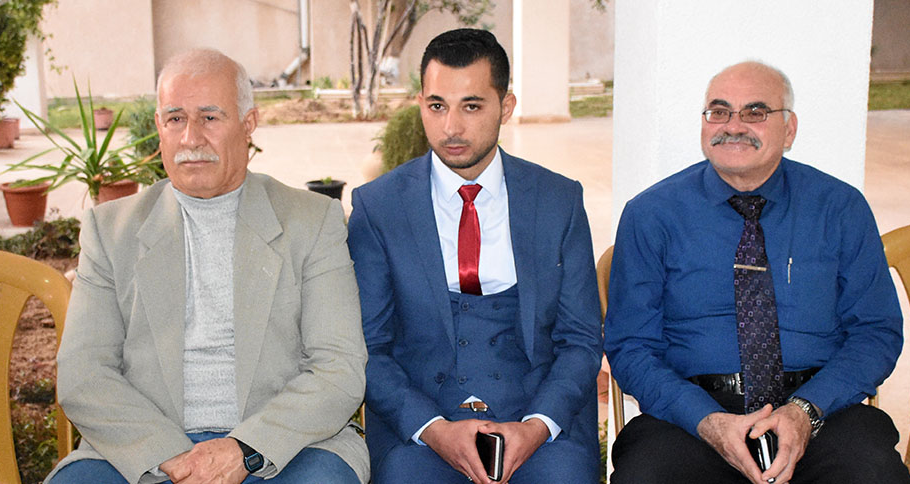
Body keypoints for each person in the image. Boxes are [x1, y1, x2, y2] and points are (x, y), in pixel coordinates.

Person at [45, 48, 369, 484]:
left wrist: (242, 450)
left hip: (284, 446)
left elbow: (338, 367)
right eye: (175, 118)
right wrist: (174, 457)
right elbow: (84, 373)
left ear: (248, 125)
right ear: (159, 126)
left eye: (210, 117)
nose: (191, 138)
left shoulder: (311, 221)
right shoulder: (111, 230)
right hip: (144, 447)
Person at [604, 61, 910, 484]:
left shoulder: (840, 208)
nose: (733, 126)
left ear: (789, 129)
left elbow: (876, 332)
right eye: (719, 112)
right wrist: (706, 419)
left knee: (872, 474)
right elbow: (630, 345)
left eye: (755, 112)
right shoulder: (651, 215)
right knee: (647, 476)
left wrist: (805, 410)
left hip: (820, 412)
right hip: (691, 417)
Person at [347, 29, 602, 484]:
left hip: (539, 425)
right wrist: (433, 429)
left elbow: (580, 340)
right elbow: (368, 347)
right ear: (420, 104)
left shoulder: (559, 200)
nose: (451, 128)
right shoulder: (378, 208)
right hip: (422, 430)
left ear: (506, 106)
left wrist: (537, 425)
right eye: (437, 106)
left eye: (471, 106)